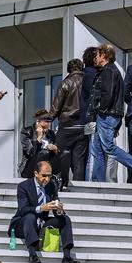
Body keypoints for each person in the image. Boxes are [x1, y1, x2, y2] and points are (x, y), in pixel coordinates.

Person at [8, 161, 80, 263]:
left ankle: (67, 255)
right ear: (36, 173)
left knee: (65, 219)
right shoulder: (24, 186)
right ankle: (32, 254)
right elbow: (23, 209)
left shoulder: (52, 185)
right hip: (23, 223)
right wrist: (41, 208)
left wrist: (59, 210)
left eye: (49, 176)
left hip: (41, 222)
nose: (47, 179)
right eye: (44, 176)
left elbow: (55, 205)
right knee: (30, 216)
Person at [88, 44, 132, 183]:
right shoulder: (112, 70)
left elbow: (108, 94)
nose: (95, 58)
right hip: (109, 115)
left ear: (104, 55)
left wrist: (101, 110)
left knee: (108, 147)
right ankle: (97, 181)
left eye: (97, 55)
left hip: (107, 115)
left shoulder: (108, 71)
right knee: (97, 149)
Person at [51, 59, 87, 188]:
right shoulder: (88, 82)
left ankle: (61, 185)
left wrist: (47, 120)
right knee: (79, 160)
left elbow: (56, 107)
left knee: (61, 156)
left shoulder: (65, 83)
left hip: (66, 126)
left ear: (69, 70)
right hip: (83, 126)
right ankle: (79, 188)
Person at [19, 109, 59, 180]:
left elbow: (55, 154)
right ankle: (41, 175)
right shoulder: (27, 131)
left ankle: (64, 184)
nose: (48, 124)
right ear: (38, 121)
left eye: (50, 122)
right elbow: (30, 153)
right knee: (44, 152)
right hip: (29, 167)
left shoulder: (51, 133)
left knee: (65, 154)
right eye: (46, 122)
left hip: (47, 166)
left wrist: (55, 149)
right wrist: (39, 138)